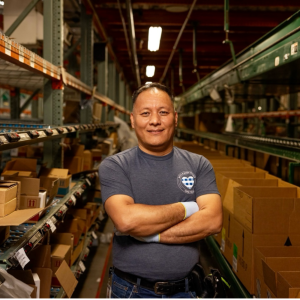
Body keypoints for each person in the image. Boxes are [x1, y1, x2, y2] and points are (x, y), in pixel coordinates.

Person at [99, 83, 223, 300]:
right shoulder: (115, 166)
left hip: (186, 290)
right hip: (131, 291)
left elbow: (212, 221)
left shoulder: (199, 165)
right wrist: (190, 207)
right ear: (132, 119)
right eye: (145, 113)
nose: (154, 120)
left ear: (175, 117)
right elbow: (127, 221)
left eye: (163, 112)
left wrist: (148, 234)